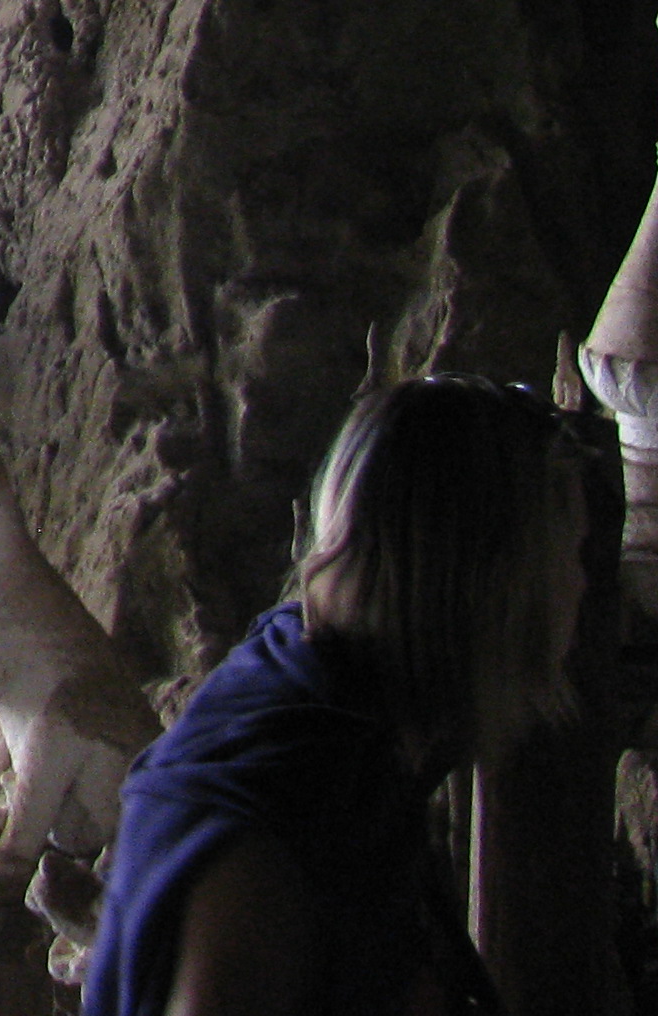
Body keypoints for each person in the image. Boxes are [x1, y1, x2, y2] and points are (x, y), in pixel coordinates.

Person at [84, 378, 589, 1016]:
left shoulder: (324, 698)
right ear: (497, 589)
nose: (580, 584)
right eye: (570, 554)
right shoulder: (286, 812)